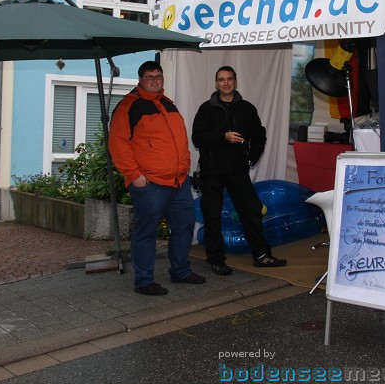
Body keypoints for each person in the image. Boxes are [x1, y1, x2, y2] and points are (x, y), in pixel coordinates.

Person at [109, 60, 205, 295]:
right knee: (147, 232)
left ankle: (180, 272)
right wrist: (134, 176)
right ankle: (143, 281)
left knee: (184, 227)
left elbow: (180, 140)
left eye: (158, 76)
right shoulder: (128, 107)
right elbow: (117, 144)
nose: (155, 80)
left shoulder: (167, 104)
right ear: (140, 79)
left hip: (179, 182)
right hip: (150, 184)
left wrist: (185, 168)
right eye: (149, 76)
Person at [192, 66, 287, 275]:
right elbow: (198, 139)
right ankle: (216, 259)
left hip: (237, 170)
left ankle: (261, 256)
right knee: (212, 215)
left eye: (229, 79)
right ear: (216, 83)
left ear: (235, 82)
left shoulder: (247, 108)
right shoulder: (206, 109)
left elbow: (259, 136)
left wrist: (250, 158)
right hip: (212, 171)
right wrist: (223, 137)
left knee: (252, 212)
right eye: (221, 80)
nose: (225, 83)